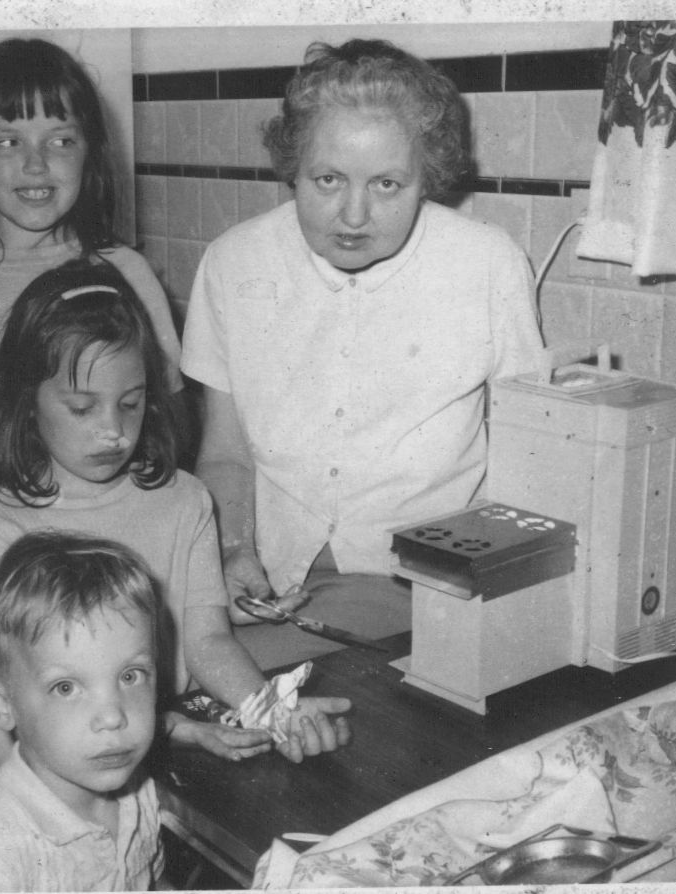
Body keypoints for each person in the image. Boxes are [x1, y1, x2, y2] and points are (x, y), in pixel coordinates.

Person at [0, 37, 183, 817]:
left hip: (103, 566)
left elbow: (167, 416)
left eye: (60, 140)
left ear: (91, 155)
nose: (35, 164)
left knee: (112, 756)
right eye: (6, 141)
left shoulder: (124, 273)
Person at [180, 39, 544, 632]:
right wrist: (232, 553)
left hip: (429, 584)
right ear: (293, 167)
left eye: (387, 185)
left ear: (428, 177)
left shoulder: (488, 263)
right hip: (271, 577)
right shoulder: (233, 261)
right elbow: (225, 454)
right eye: (327, 179)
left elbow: (526, 457)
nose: (353, 215)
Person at [0, 259, 351, 764]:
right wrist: (175, 728)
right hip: (47, 765)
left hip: (150, 736)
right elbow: (38, 694)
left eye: (129, 404)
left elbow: (207, 642)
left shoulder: (184, 501)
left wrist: (272, 712)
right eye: (83, 408)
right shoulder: (2, 528)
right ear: (26, 401)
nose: (113, 431)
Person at [0, 531, 165, 893]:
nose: (113, 717)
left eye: (130, 676)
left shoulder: (135, 788)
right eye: (66, 687)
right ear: (2, 704)